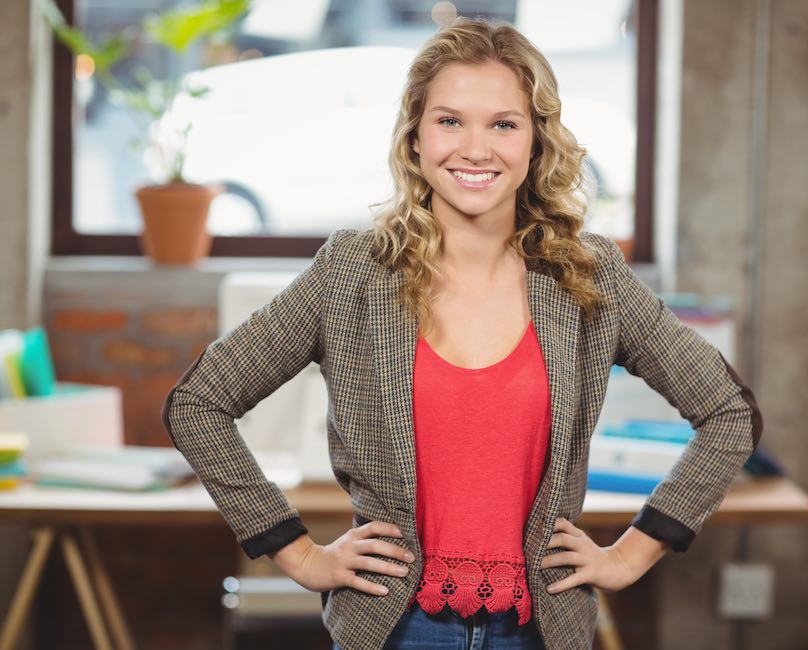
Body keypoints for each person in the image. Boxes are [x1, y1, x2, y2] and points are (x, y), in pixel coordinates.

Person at [162, 17, 762, 650]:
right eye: (450, 121)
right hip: (393, 630)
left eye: (503, 124)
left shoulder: (588, 277)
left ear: (536, 143)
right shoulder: (353, 274)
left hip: (541, 630)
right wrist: (295, 552)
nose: (476, 149)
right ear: (415, 138)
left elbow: (728, 415)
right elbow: (198, 404)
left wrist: (632, 552)